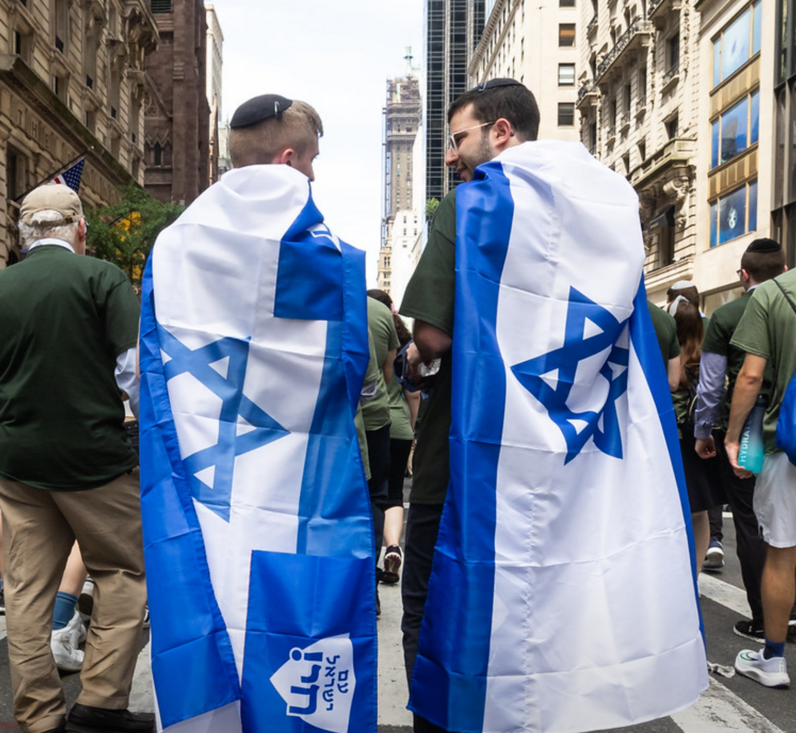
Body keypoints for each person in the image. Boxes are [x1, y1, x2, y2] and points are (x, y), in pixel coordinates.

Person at [400, 79, 705, 733]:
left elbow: (431, 335)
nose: (453, 156)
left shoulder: (474, 205)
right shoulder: (604, 221)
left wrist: (418, 358)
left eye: (459, 139)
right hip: (572, 471)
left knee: (443, 621)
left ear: (501, 134)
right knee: (548, 628)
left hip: (467, 468)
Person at [138, 95, 377, 732]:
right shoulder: (326, 259)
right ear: (289, 158)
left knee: (207, 608)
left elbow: (157, 373)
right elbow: (346, 369)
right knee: (285, 629)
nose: (316, 177)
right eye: (314, 162)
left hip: (203, 489)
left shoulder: (172, 248)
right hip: (295, 492)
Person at [0, 184, 151, 733]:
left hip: (17, 463)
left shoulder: (2, 285)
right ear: (80, 229)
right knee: (124, 571)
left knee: (24, 591)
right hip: (95, 461)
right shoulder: (103, 278)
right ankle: (100, 704)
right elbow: (135, 370)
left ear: (24, 235)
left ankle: (38, 718)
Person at [694, 238, 786, 641]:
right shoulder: (788, 300)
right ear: (783, 271)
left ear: (743, 274)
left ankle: (766, 617)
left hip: (751, 429)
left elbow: (712, 385)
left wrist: (706, 433)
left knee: (750, 521)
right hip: (794, 423)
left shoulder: (728, 315)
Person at [726, 263, 796, 689]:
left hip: (786, 443)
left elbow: (751, 376)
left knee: (782, 551)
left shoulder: (772, 293)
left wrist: (734, 436)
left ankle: (772, 660)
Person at [368, 289, 420, 584]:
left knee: (370, 494)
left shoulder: (365, 335)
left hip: (371, 425)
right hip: (399, 425)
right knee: (394, 493)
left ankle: (371, 558)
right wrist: (411, 428)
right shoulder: (406, 345)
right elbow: (413, 394)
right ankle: (393, 547)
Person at [670, 299, 723, 574]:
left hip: (672, 440)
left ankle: (674, 574)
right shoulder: (705, 357)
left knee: (671, 509)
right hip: (699, 438)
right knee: (699, 511)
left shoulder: (667, 357)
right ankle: (694, 574)